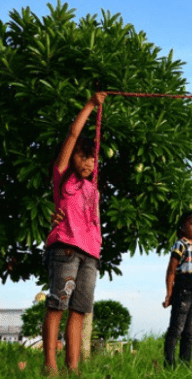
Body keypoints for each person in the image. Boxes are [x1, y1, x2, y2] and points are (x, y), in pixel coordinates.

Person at [43, 92, 107, 376]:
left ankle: (73, 369)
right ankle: (50, 366)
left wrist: (98, 248)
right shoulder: (63, 178)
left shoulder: (93, 189)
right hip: (66, 248)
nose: (88, 163)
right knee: (58, 303)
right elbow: (72, 135)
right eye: (83, 157)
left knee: (79, 311)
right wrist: (92, 105)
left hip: (90, 255)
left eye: (92, 159)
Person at [163, 211, 192, 367]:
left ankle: (185, 364)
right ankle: (168, 363)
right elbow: (171, 270)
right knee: (177, 327)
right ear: (183, 226)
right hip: (183, 288)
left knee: (189, 330)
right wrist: (169, 293)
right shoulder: (180, 244)